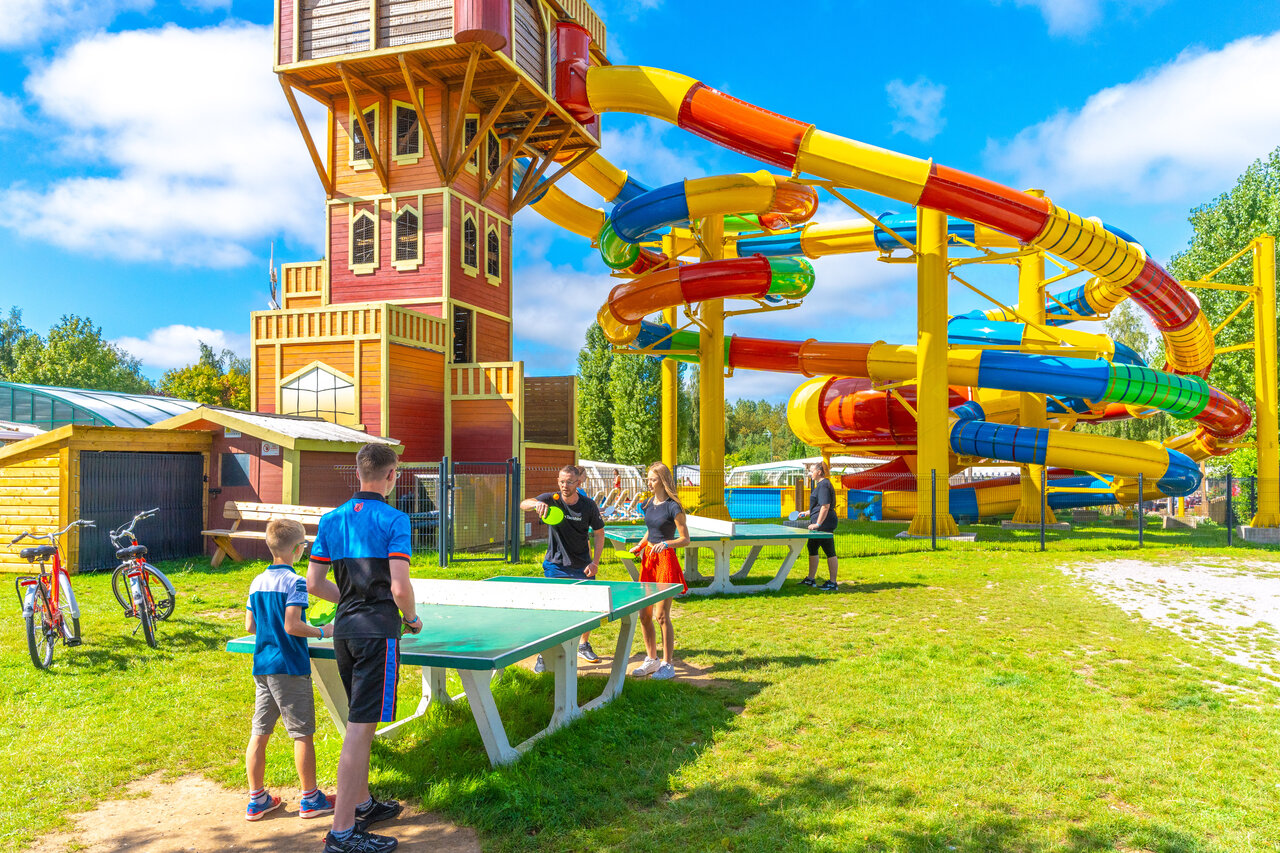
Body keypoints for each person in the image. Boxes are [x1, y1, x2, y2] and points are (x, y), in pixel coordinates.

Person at [307, 443, 421, 853]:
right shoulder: (395, 519)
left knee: (361, 721)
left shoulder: (332, 519)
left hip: (345, 633)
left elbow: (315, 585)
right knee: (360, 730)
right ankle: (342, 833)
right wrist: (410, 618)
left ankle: (362, 803)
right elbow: (399, 587)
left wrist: (351, 603)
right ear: (392, 476)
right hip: (378, 634)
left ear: (358, 473)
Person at [243, 518, 335, 822]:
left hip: (263, 666)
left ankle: (257, 800)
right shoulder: (294, 582)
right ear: (298, 549)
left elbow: (250, 625)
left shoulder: (257, 581)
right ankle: (311, 799)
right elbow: (292, 625)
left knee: (260, 732)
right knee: (302, 733)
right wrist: (323, 631)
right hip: (290, 668)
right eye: (304, 546)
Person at [520, 465, 606, 670]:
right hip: (555, 565)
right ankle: (545, 653)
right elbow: (523, 504)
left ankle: (583, 645)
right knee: (552, 612)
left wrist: (595, 562)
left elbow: (599, 532)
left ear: (578, 483)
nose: (564, 485)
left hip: (583, 565)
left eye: (569, 482)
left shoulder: (588, 505)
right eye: (561, 481)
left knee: (589, 610)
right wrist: (536, 504)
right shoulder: (552, 499)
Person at [630, 462, 690, 680]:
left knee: (661, 616)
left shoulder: (674, 507)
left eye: (652, 479)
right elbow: (650, 530)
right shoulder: (649, 503)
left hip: (665, 560)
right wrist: (640, 545)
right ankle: (652, 659)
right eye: (648, 478)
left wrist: (666, 544)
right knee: (644, 614)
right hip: (648, 559)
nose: (649, 482)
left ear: (662, 481)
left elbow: (685, 539)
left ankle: (667, 664)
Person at [798, 461, 839, 591]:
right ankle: (811, 579)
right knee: (812, 547)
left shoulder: (824, 485)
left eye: (811, 470)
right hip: (819, 523)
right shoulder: (820, 485)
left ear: (819, 472)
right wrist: (807, 512)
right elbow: (818, 506)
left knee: (829, 550)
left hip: (825, 524)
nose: (810, 473)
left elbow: (825, 506)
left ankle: (833, 583)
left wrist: (818, 524)